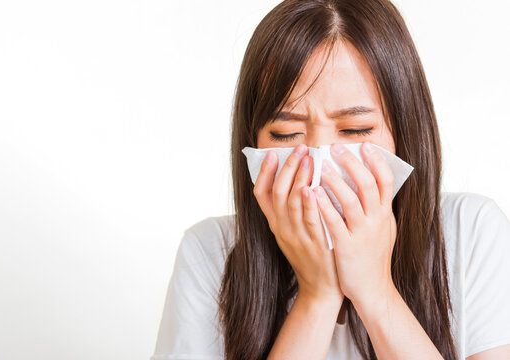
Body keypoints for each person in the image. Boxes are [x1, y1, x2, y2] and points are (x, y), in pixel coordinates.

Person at [151, 0, 510, 359]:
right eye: (285, 134)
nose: (319, 158)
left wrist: (375, 290)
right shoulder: (210, 253)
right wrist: (316, 296)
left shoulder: (471, 232)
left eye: (356, 129)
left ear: (405, 132)